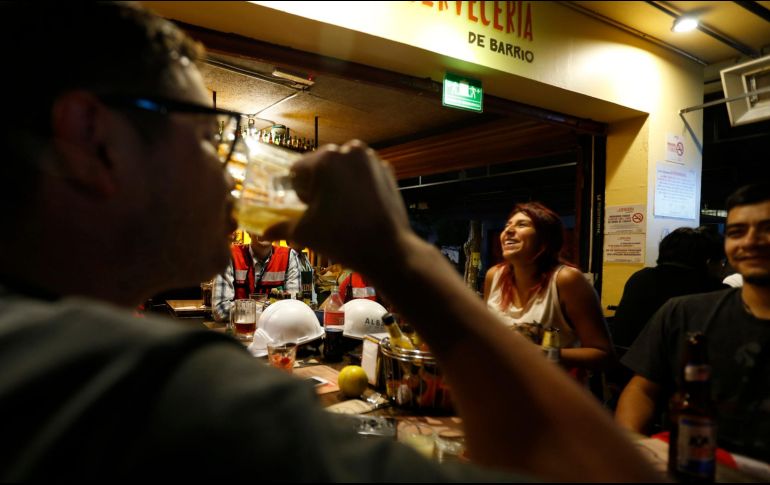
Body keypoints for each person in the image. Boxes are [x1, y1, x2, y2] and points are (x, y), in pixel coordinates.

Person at [0, 3, 660, 482]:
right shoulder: (163, 387)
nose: (227, 165)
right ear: (95, 140)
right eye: (207, 132)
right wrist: (402, 256)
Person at [615, 182, 770, 462]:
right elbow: (642, 389)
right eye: (736, 232)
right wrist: (632, 449)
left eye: (766, 228)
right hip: (688, 461)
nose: (750, 241)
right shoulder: (683, 312)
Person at [483, 202, 613, 373]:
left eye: (522, 224)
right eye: (507, 225)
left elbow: (603, 355)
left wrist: (542, 353)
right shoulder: (494, 276)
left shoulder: (566, 280)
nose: (508, 230)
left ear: (544, 239)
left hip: (553, 393)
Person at [611, 227, 726, 350]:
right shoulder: (715, 291)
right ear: (709, 262)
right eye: (722, 261)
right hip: (675, 366)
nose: (723, 266)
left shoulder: (641, 277)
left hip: (624, 361)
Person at [211, 232, 300, 322]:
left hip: (276, 334)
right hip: (237, 334)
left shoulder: (289, 256)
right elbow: (220, 310)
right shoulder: (228, 255)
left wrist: (248, 308)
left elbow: (294, 308)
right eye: (257, 224)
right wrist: (268, 307)